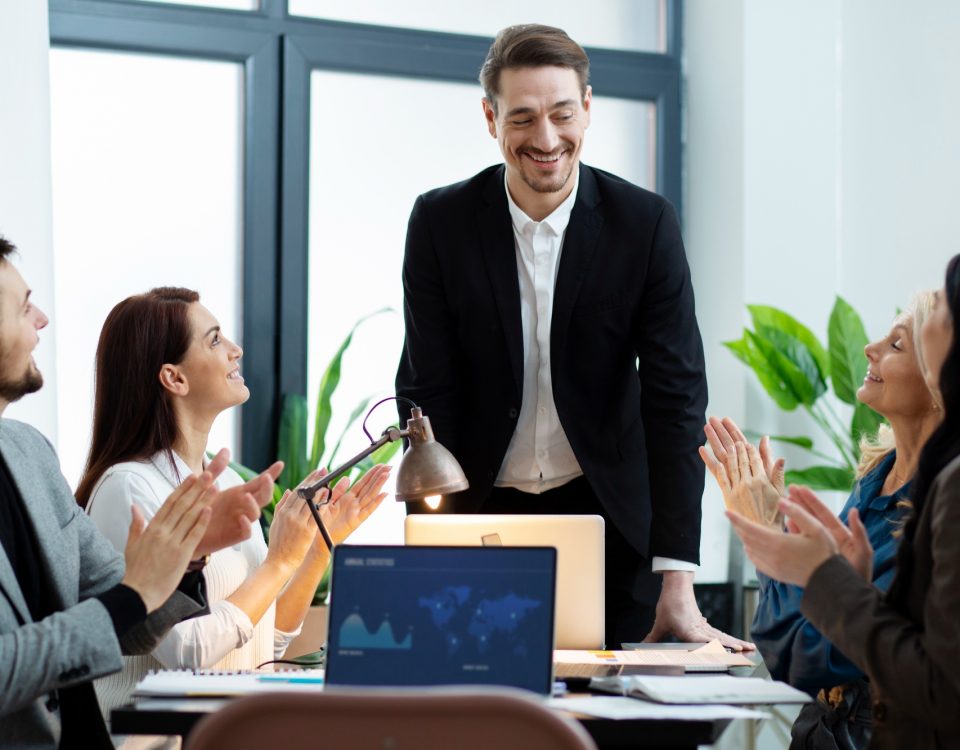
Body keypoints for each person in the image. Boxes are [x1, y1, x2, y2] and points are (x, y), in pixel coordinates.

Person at [394, 24, 747, 649]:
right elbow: (427, 388)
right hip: (482, 519)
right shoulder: (439, 223)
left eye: (562, 113)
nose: (546, 138)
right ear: (489, 117)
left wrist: (678, 578)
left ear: (588, 107)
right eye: (523, 118)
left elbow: (675, 401)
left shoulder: (645, 225)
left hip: (613, 522)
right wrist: (433, 541)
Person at [0, 236, 277, 749]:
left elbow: (128, 621)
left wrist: (186, 555)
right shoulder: (127, 482)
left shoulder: (30, 453)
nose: (41, 319)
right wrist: (135, 592)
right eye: (22, 307)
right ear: (171, 378)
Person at [75, 287, 390, 730]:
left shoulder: (227, 482)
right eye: (215, 340)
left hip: (232, 734)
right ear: (174, 378)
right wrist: (279, 561)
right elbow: (187, 651)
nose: (236, 350)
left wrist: (315, 548)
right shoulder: (127, 490)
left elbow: (265, 641)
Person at [727, 255, 960, 749]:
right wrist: (778, 541)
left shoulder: (941, 495)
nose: (870, 350)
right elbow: (807, 634)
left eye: (897, 343)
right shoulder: (875, 478)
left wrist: (772, 540)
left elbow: (811, 656)